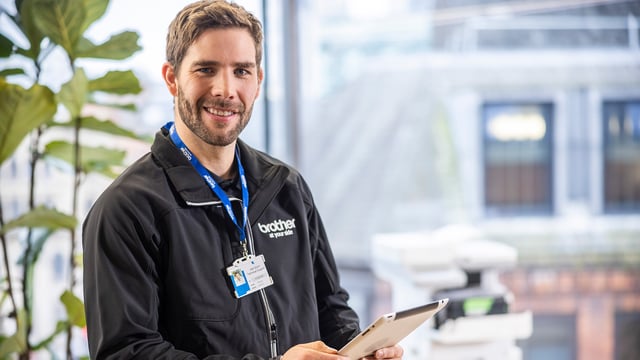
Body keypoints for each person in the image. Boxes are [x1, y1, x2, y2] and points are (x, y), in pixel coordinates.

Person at [82, 1, 404, 359]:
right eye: (206, 69)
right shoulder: (127, 210)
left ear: (258, 80)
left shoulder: (286, 188)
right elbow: (127, 352)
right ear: (172, 78)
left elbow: (330, 306)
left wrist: (362, 347)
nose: (226, 89)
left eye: (241, 71)